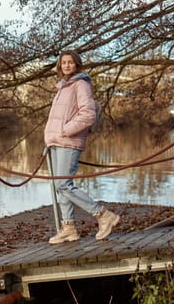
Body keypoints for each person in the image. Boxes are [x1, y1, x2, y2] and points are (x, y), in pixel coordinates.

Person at [44, 50, 119, 244]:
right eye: (63, 63)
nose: (66, 65)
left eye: (70, 62)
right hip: (56, 141)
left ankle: (103, 214)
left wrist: (66, 130)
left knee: (63, 184)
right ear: (59, 66)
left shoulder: (81, 84)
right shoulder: (62, 87)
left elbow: (88, 115)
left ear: (77, 65)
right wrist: (51, 138)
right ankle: (68, 228)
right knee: (60, 187)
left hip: (69, 141)